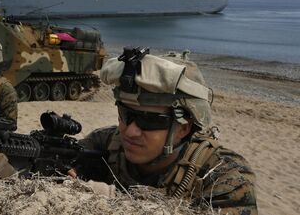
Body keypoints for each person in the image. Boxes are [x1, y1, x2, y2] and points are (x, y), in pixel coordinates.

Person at [75, 47, 257, 214]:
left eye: (148, 120)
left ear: (183, 128)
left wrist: (110, 200)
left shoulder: (224, 176)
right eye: (125, 114)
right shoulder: (104, 142)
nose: (130, 132)